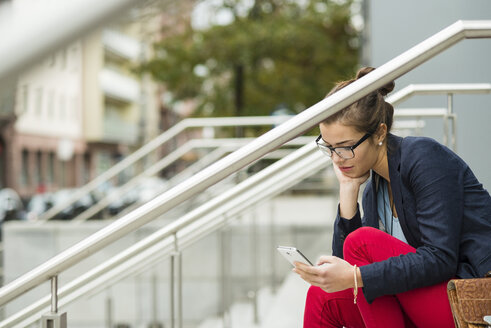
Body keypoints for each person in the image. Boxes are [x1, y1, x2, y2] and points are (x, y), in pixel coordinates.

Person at [292, 67, 491, 328]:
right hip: (418, 302)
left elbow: (440, 259)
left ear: (380, 133)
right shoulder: (374, 192)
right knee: (321, 297)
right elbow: (350, 278)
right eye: (329, 147)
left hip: (467, 296)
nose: (336, 158)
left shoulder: (424, 158)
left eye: (346, 147)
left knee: (362, 241)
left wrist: (356, 275)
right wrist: (348, 190)